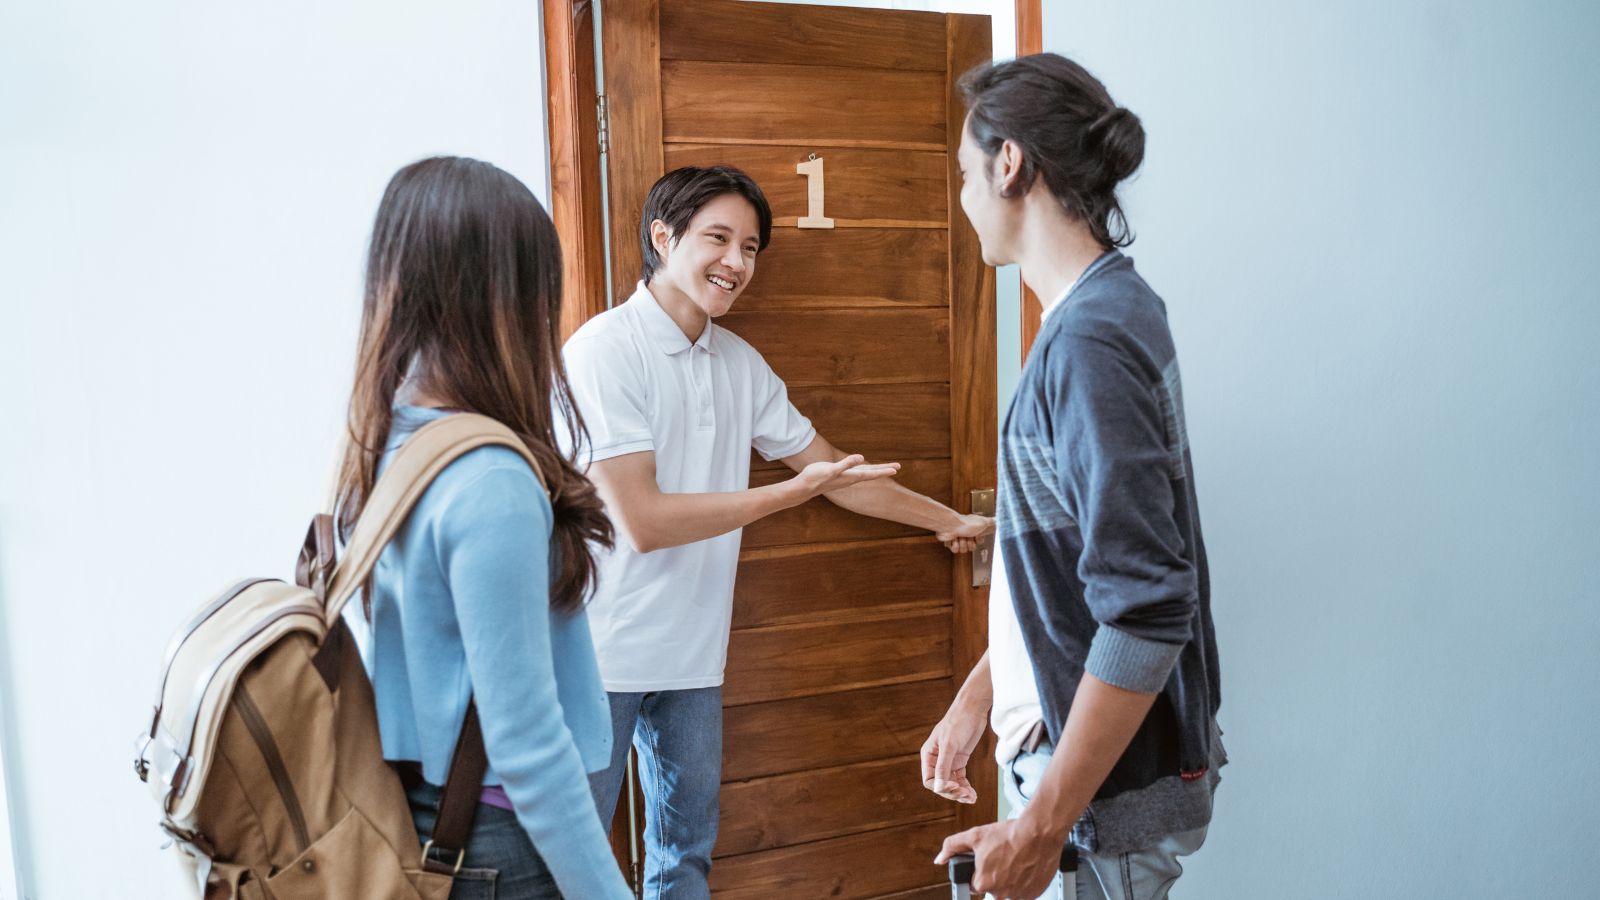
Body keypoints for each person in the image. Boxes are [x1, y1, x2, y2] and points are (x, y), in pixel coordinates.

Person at [563, 164, 995, 899]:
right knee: (570, 867)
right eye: (719, 239)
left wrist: (950, 522)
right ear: (663, 238)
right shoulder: (605, 350)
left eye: (752, 248)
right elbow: (643, 522)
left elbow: (834, 473)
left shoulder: (739, 363)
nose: (736, 263)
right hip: (597, 659)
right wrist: (786, 495)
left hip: (695, 659)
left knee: (684, 860)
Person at [925, 55, 1226, 900]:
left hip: (1098, 797)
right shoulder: (1100, 313)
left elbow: (1146, 611)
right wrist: (981, 693)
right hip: (1069, 777)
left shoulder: (1090, 340)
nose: (961, 198)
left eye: (963, 173)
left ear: (1010, 162)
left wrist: (1040, 827)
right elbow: (1079, 578)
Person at [333, 156, 633, 900]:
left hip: (427, 816)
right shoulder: (490, 479)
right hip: (501, 842)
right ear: (499, 300)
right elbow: (527, 745)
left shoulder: (389, 440)